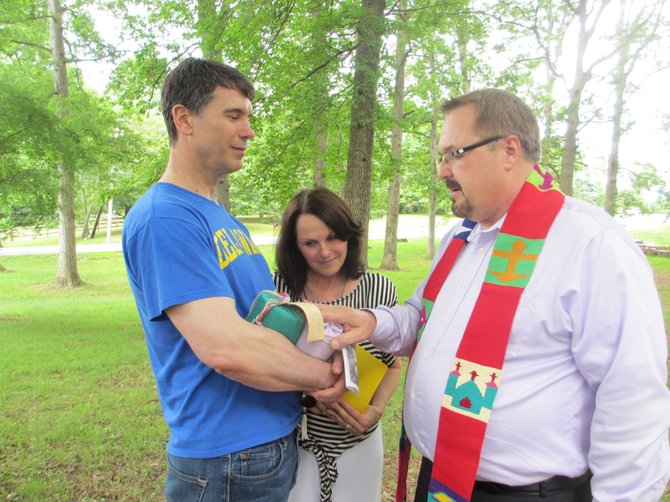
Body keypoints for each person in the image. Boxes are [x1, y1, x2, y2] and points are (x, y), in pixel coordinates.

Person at [320, 88, 670, 502]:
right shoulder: (462, 237)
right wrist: (374, 323)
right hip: (442, 481)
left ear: (508, 150)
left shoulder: (591, 243)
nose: (442, 171)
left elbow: (631, 397)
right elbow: (424, 318)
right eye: (441, 156)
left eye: (454, 153)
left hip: (524, 493)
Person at [122, 58, 345, 502]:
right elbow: (227, 348)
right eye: (233, 115)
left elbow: (264, 316)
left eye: (248, 117)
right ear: (184, 118)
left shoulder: (221, 217)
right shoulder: (166, 218)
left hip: (265, 444)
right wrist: (323, 376)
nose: (249, 131)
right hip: (226, 459)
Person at [273, 186, 401, 502]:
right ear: (294, 246)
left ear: (349, 234)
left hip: (360, 444)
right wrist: (306, 397)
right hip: (294, 442)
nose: (325, 251)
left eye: (333, 237)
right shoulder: (278, 290)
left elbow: (393, 364)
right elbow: (261, 361)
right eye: (310, 243)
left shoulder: (379, 289)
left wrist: (377, 410)